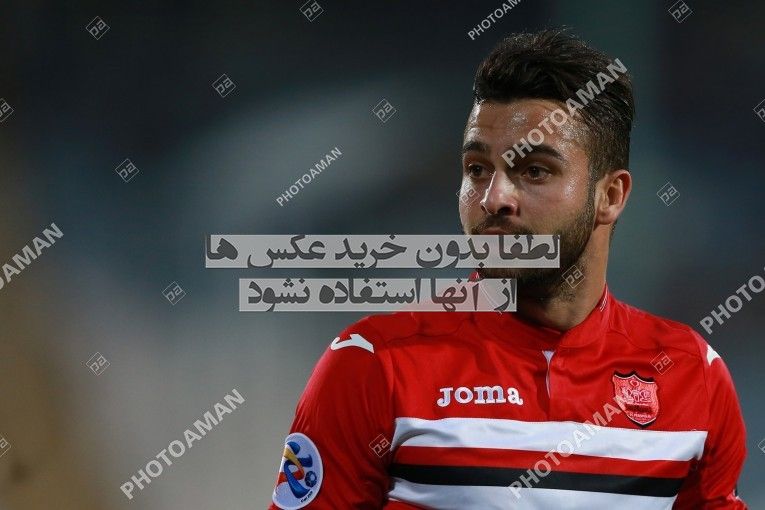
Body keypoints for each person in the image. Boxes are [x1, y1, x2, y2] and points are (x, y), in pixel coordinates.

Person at [269, 29, 748, 509]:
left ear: (611, 195)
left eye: (534, 171)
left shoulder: (692, 374)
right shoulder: (375, 362)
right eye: (477, 169)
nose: (493, 198)